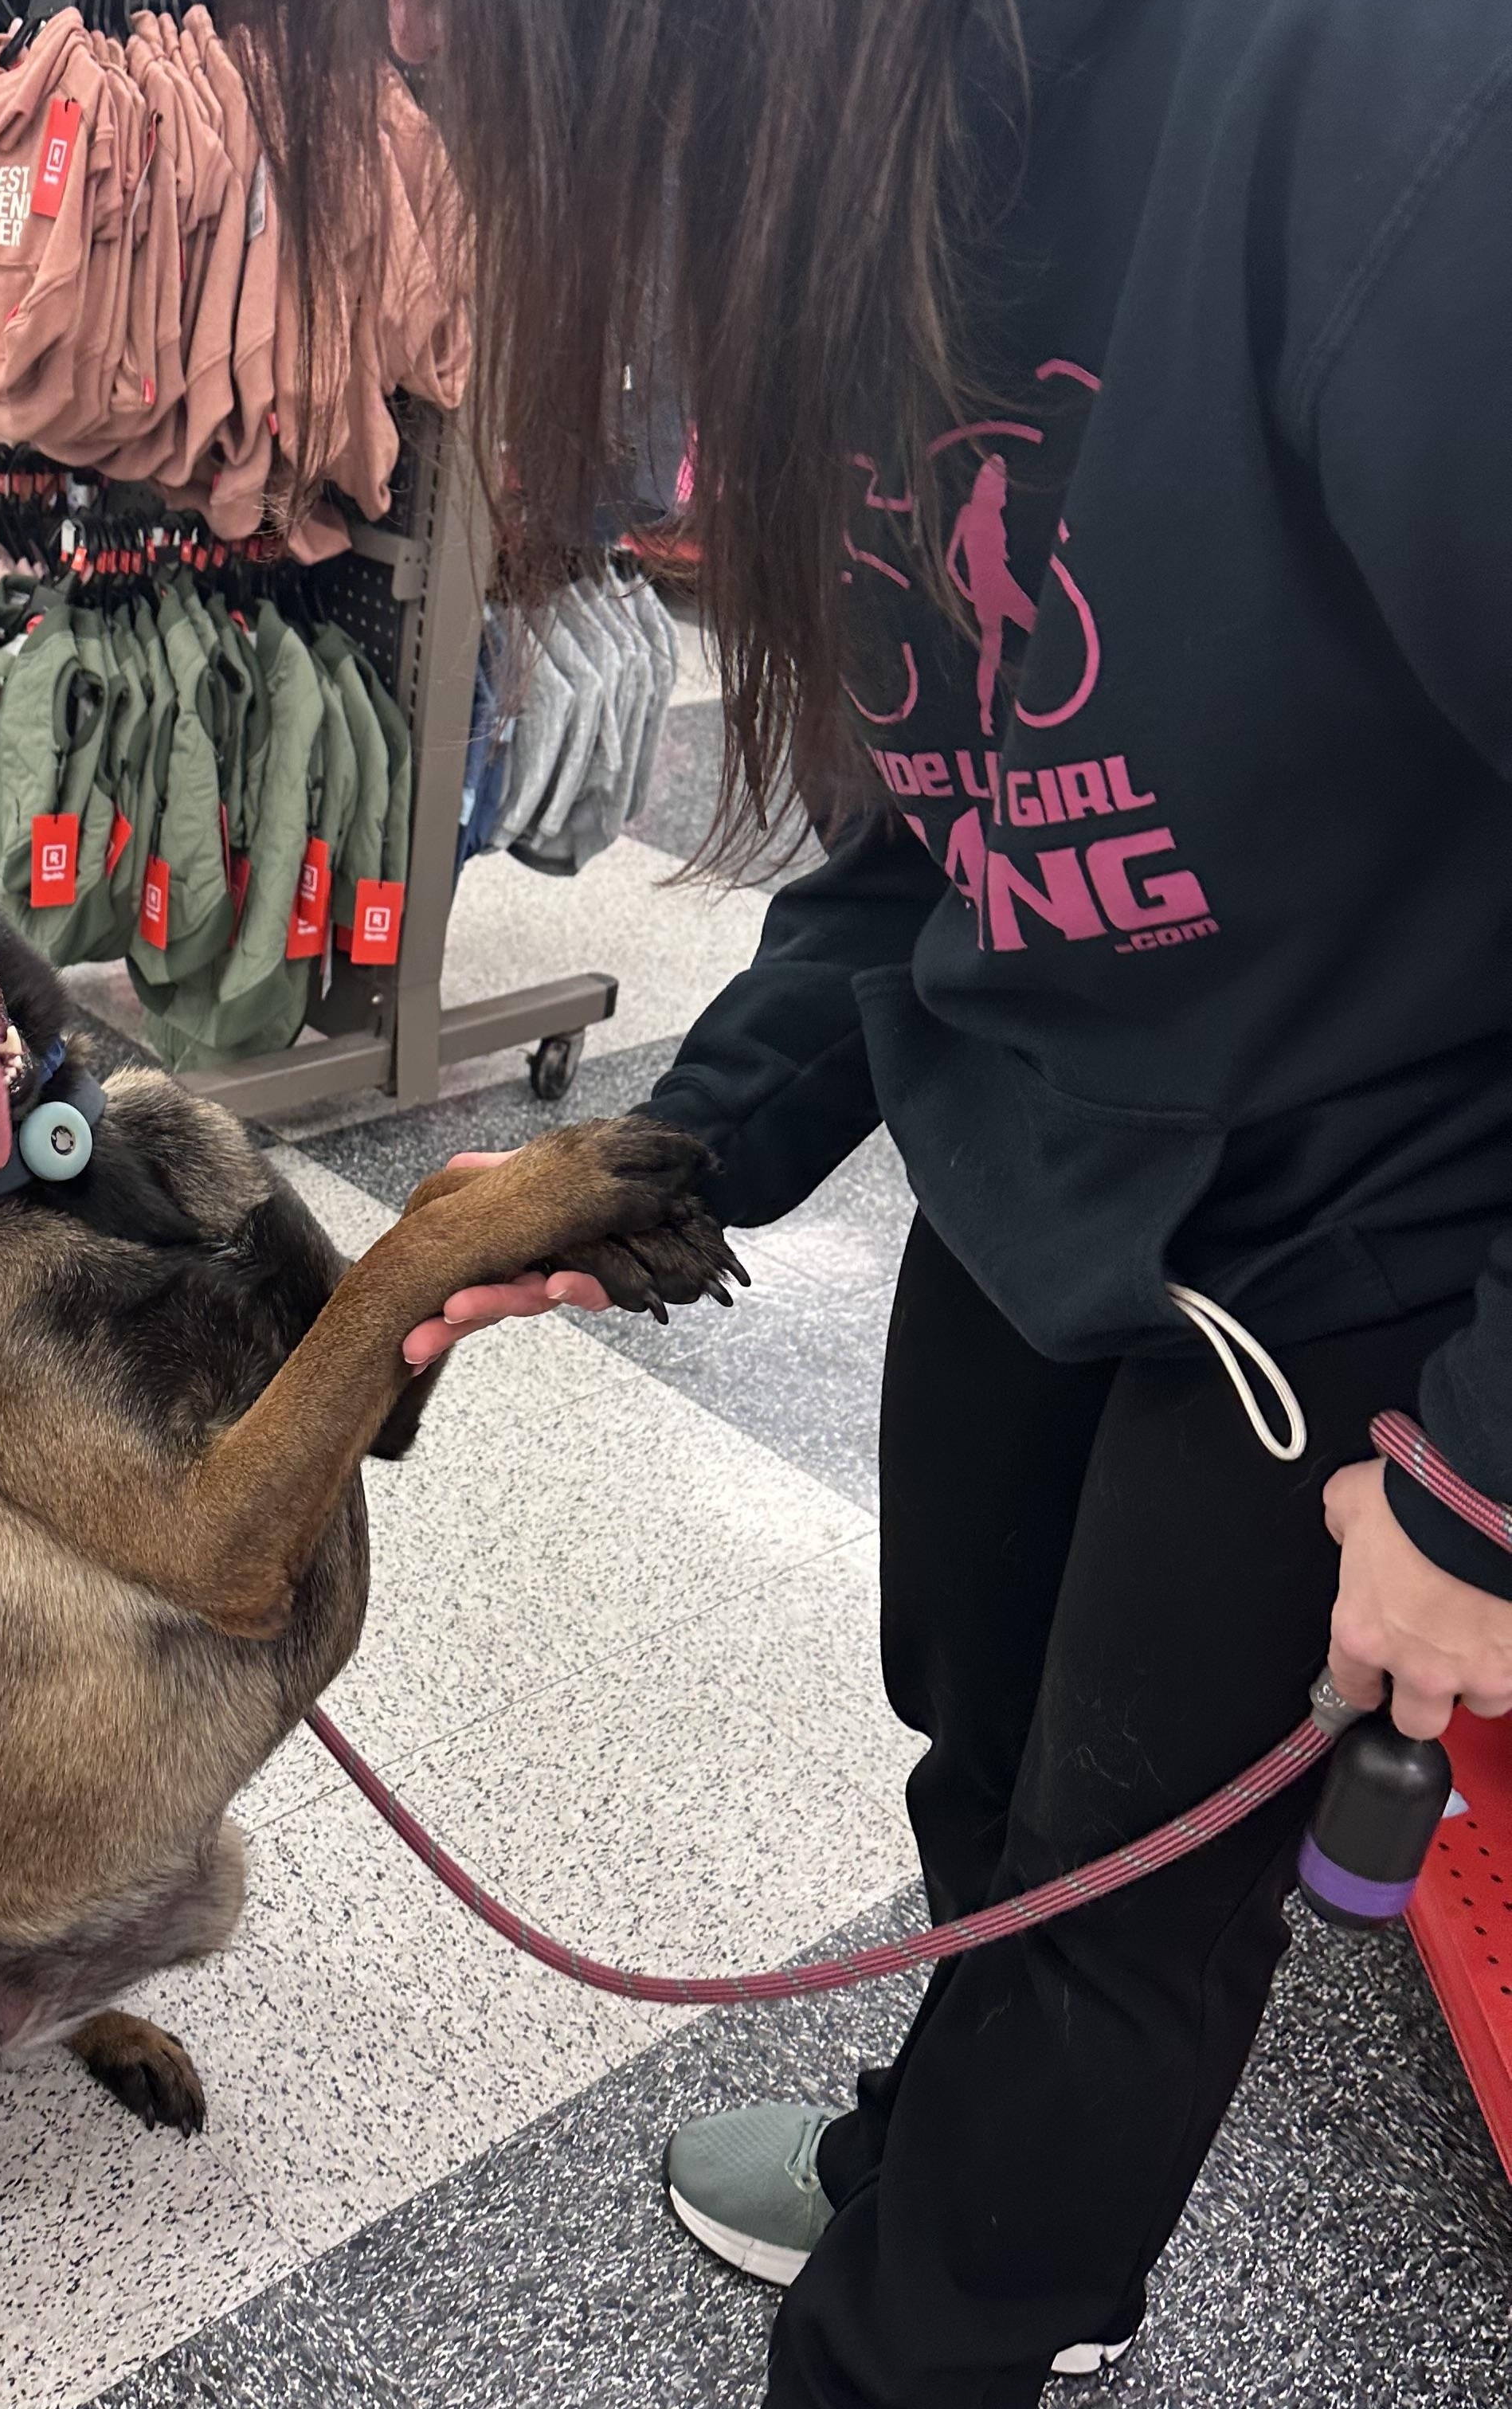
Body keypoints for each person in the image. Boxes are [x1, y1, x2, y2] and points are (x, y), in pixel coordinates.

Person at [227, 2, 1512, 2403]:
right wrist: (665, 1163)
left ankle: (937, 2327)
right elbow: (946, 825)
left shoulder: (1374, 97)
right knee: (978, 1737)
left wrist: (1490, 1476)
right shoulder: (855, 184)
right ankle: (988, 2182)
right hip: (1046, 1128)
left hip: (1356, 1200)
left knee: (1120, 1893)